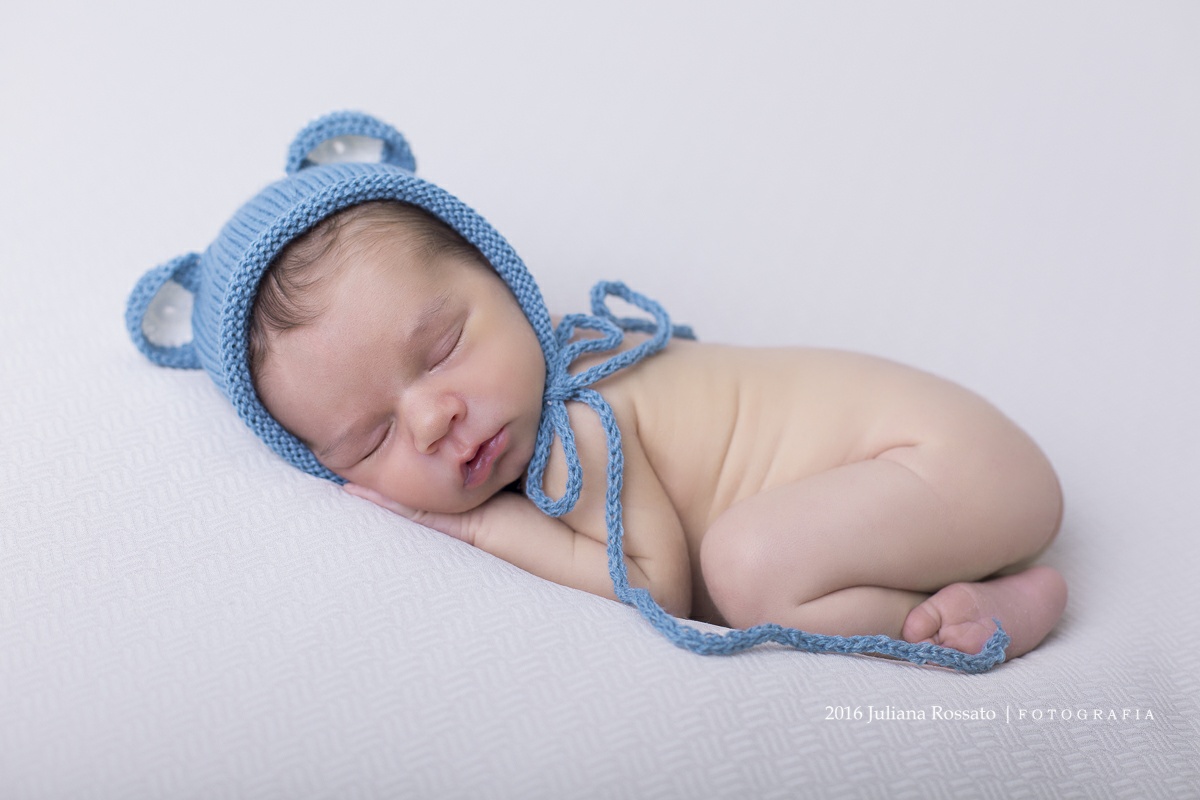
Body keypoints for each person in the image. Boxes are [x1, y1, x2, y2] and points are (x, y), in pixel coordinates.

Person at [126, 111, 1065, 668]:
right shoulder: (545, 404)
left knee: (744, 569)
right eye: (368, 441)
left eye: (444, 345)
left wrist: (482, 527)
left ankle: (975, 624)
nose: (430, 416)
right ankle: (967, 591)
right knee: (760, 555)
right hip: (934, 472)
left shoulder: (580, 417)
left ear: (511, 280)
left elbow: (654, 582)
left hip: (946, 462)